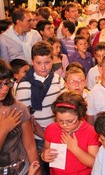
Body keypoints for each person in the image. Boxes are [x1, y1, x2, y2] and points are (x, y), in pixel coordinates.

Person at [15, 41, 66, 174]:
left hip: (58, 135)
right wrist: (46, 136)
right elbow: (26, 120)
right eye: (38, 63)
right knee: (42, 170)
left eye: (47, 62)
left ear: (52, 60)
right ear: (32, 61)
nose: (43, 67)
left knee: (57, 170)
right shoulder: (24, 85)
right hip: (37, 139)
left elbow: (65, 108)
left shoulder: (58, 80)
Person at [41, 91, 100, 175]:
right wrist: (44, 155)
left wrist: (74, 148)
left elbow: (94, 163)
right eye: (60, 120)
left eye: (70, 121)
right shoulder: (51, 128)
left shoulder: (90, 131)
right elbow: (46, 147)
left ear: (80, 116)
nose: (64, 125)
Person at [0, 59, 40, 175]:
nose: (5, 88)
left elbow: (30, 146)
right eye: (0, 84)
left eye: (7, 83)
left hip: (22, 169)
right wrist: (4, 128)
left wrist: (37, 172)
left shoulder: (18, 108)